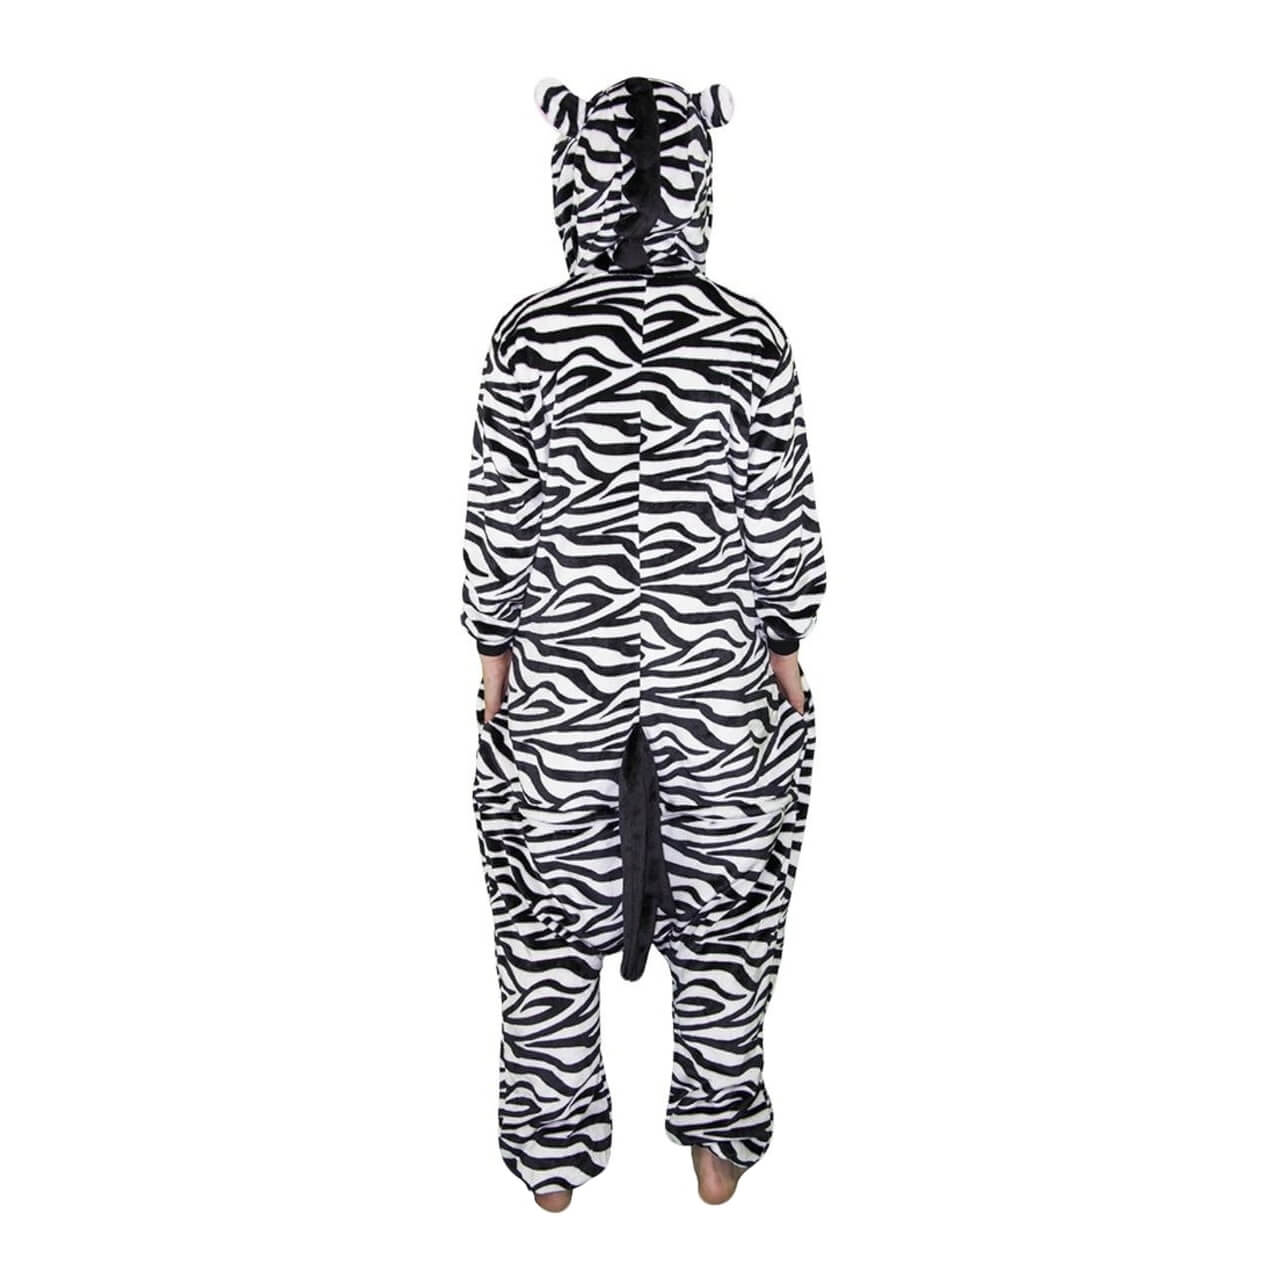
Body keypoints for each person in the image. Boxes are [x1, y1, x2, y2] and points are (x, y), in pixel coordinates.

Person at [460, 76, 827, 1210]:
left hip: (564, 681)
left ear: (575, 180)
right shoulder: (750, 337)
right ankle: (718, 1140)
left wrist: (493, 649)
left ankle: (552, 1152)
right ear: (696, 183)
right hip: (711, 679)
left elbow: (499, 512)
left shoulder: (528, 337)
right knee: (731, 904)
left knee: (540, 909)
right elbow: (780, 508)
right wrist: (785, 639)